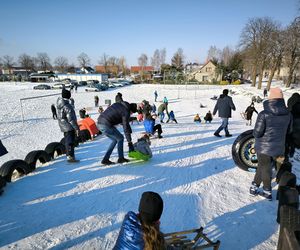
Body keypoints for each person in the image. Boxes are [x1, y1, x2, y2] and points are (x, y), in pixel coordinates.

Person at [250, 87, 292, 200]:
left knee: (265, 168)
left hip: (264, 148)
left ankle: (267, 191)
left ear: (270, 98)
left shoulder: (264, 114)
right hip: (279, 148)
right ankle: (254, 185)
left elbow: (257, 133)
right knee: (263, 166)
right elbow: (289, 131)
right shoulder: (288, 114)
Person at [97, 101, 137, 165]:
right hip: (106, 124)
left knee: (115, 140)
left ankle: (105, 159)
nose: (131, 114)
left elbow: (123, 122)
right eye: (132, 113)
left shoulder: (119, 104)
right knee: (120, 138)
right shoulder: (126, 111)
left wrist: (129, 129)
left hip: (100, 122)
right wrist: (129, 142)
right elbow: (125, 126)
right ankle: (121, 158)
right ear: (130, 110)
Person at [56, 88, 80, 163]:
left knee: (67, 140)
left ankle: (69, 155)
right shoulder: (67, 106)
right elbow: (71, 119)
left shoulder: (61, 104)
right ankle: (70, 156)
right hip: (69, 126)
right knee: (70, 141)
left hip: (63, 125)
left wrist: (71, 104)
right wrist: (77, 128)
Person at [286, 92, 300, 159]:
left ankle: (288, 152)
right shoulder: (298, 102)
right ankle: (292, 152)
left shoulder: (290, 100)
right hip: (297, 120)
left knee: (289, 137)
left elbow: (288, 107)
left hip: (290, 118)